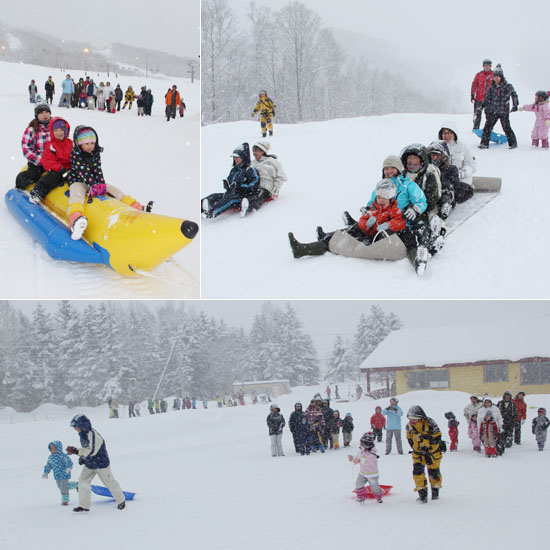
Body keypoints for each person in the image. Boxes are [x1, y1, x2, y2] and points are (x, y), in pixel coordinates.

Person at [288, 179, 420, 270]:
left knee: (407, 236)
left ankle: (416, 260)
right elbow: (362, 222)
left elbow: (400, 223)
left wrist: (389, 225)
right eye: (379, 197)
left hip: (381, 237)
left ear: (391, 198)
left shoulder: (395, 210)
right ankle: (304, 249)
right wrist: (367, 224)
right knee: (349, 232)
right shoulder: (373, 208)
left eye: (384, 198)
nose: (381, 200)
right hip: (369, 233)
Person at [65, 126, 145, 240]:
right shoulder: (76, 154)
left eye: (92, 143)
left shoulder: (95, 152)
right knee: (77, 194)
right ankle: (76, 218)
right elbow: (83, 171)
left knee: (112, 189)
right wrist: (93, 186)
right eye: (86, 144)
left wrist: (101, 184)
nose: (90, 146)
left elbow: (97, 169)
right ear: (79, 144)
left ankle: (135, 206)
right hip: (77, 180)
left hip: (93, 181)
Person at [66, 414, 126, 512]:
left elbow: (91, 451)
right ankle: (84, 505)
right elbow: (86, 449)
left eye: (76, 427)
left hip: (101, 464)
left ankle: (121, 501)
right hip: (90, 464)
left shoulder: (94, 436)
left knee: (109, 483)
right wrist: (83, 457)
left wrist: (76, 451)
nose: (75, 429)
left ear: (82, 425)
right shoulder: (83, 434)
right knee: (82, 482)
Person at [400, 143, 444, 259]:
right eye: (409, 158)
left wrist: (416, 208)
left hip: (422, 209)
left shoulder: (427, 175)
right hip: (402, 209)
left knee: (421, 225)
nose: (412, 161)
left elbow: (431, 196)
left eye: (415, 158)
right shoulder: (401, 175)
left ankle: (426, 245)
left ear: (421, 160)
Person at [201, 142, 260, 219]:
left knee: (230, 199)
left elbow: (255, 184)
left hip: (242, 196)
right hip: (230, 193)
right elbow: (230, 182)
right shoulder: (234, 170)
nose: (235, 159)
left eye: (237, 157)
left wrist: (240, 187)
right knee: (214, 196)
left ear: (243, 157)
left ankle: (212, 212)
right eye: (234, 157)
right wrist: (227, 185)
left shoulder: (250, 169)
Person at [28, 117, 72, 204]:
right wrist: (59, 168)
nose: (59, 133)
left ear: (66, 131)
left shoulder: (70, 143)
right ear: (52, 132)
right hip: (57, 170)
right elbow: (47, 160)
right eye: (56, 131)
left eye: (61, 130)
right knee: (51, 179)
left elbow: (75, 156)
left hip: (69, 170)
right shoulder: (51, 145)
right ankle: (37, 193)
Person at [406, 405, 444, 503]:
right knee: (417, 473)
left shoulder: (430, 423)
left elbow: (437, 437)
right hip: (418, 454)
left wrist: (426, 443)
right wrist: (417, 449)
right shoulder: (409, 426)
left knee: (434, 473)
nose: (412, 421)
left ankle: (435, 493)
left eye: (415, 419)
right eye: (411, 419)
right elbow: (409, 439)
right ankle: (422, 495)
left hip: (433, 454)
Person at [478, 64, 518, 149]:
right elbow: (487, 97)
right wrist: (483, 105)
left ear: (501, 77)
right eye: (494, 77)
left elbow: (514, 95)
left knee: (506, 127)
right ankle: (484, 144)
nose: (496, 79)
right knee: (487, 127)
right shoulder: (492, 87)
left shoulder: (507, 86)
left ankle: (513, 143)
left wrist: (515, 104)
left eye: (498, 77)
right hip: (494, 111)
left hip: (504, 112)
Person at [436, 122, 476, 203]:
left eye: (449, 133)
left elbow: (472, 166)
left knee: (459, 195)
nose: (447, 136)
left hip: (460, 180)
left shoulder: (463, 146)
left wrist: (459, 174)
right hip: (442, 180)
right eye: (444, 133)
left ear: (454, 134)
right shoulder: (437, 146)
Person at [15, 104, 52, 190]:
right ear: (37, 115)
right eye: (41, 113)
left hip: (53, 159)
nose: (45, 115)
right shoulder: (31, 129)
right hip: (37, 162)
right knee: (34, 175)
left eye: (47, 112)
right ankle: (21, 180)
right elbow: (26, 149)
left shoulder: (55, 127)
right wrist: (41, 160)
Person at [247, 140, 287, 213]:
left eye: (257, 151)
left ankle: (251, 207)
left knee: (259, 196)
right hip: (254, 186)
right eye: (253, 151)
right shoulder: (252, 163)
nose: (254, 153)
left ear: (263, 151)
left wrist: (276, 188)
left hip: (267, 188)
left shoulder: (272, 162)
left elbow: (281, 177)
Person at [348, 432, 383, 504]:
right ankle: (361, 498)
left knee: (374, 488)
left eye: (362, 442)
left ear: (366, 444)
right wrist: (353, 459)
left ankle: (379, 497)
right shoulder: (361, 450)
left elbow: (368, 461)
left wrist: (360, 460)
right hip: (362, 473)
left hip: (372, 474)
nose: (360, 443)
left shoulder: (373, 453)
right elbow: (357, 458)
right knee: (358, 484)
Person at [42, 440, 78, 506]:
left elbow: (69, 462)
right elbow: (48, 465)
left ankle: (65, 500)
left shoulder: (63, 456)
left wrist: (68, 468)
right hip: (57, 475)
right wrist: (46, 472)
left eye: (54, 448)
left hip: (64, 474)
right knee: (60, 487)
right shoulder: (51, 457)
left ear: (58, 448)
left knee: (63, 488)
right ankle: (76, 485)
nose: (53, 450)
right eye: (51, 449)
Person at [471, 59, 493, 129]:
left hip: (489, 99)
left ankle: (489, 129)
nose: (487, 67)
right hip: (479, 99)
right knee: (477, 115)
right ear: (483, 66)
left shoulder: (493, 75)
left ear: (490, 66)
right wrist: (472, 94)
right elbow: (474, 84)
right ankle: (475, 129)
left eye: (488, 66)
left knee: (489, 116)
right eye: (485, 65)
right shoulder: (479, 75)